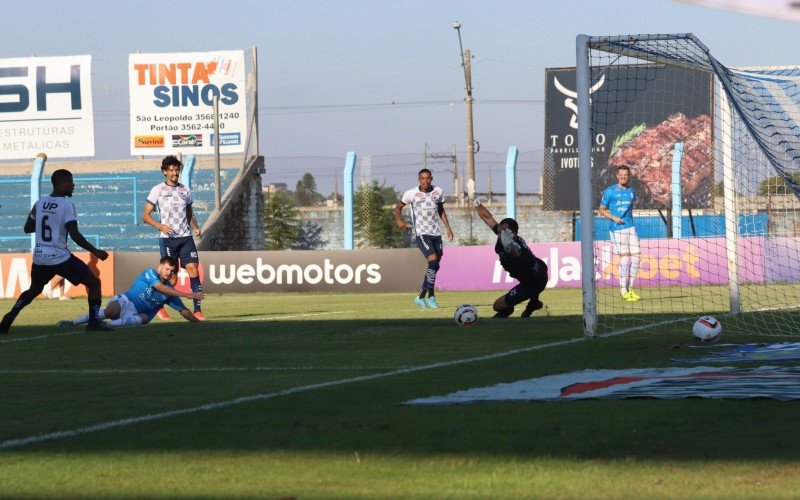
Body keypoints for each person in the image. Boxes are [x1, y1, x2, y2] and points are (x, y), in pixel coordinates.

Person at [0, 169, 110, 334]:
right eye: (70, 182)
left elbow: (27, 228)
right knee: (94, 283)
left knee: (34, 290)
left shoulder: (40, 203)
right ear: (60, 184)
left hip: (40, 258)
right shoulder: (67, 205)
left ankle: (9, 316)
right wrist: (95, 251)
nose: (73, 185)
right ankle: (94, 323)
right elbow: (74, 234)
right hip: (59, 257)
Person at [469, 180, 549, 318]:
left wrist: (509, 246)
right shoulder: (503, 234)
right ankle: (534, 303)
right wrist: (474, 200)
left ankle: (527, 306)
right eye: (499, 231)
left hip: (533, 282)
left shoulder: (515, 245)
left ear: (514, 234)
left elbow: (516, 252)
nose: (499, 235)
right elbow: (488, 218)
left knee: (498, 306)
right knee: (530, 282)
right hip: (537, 270)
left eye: (502, 233)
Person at [142, 155, 206, 320]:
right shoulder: (158, 190)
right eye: (171, 170)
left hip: (185, 237)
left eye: (177, 169)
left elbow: (188, 213)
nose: (175, 173)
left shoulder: (185, 190)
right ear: (164, 172)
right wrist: (160, 226)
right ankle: (159, 307)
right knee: (170, 276)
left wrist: (195, 227)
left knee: (193, 268)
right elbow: (145, 216)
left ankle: (198, 310)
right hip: (168, 238)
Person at [58, 256, 204, 327]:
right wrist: (188, 294)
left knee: (145, 318)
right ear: (160, 267)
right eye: (166, 269)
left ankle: (106, 325)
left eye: (171, 271)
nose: (168, 272)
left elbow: (183, 311)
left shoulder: (170, 293)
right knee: (110, 312)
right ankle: (73, 322)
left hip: (137, 315)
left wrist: (198, 323)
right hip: (125, 302)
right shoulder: (150, 273)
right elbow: (159, 287)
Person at [394, 168, 454, 309]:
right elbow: (398, 208)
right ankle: (421, 297)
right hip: (422, 233)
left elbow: (441, 210)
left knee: (435, 267)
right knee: (433, 264)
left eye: (428, 178)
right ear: (418, 179)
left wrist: (448, 228)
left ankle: (431, 297)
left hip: (436, 234)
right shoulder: (411, 194)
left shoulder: (438, 192)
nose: (425, 181)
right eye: (422, 178)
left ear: (431, 179)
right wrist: (399, 220)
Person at [598, 166, 641, 302]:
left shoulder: (632, 191)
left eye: (626, 175)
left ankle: (630, 289)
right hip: (617, 228)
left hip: (631, 227)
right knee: (624, 259)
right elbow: (601, 209)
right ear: (617, 176)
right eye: (621, 175)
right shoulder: (610, 191)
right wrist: (614, 218)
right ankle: (623, 290)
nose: (623, 177)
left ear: (628, 176)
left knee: (636, 258)